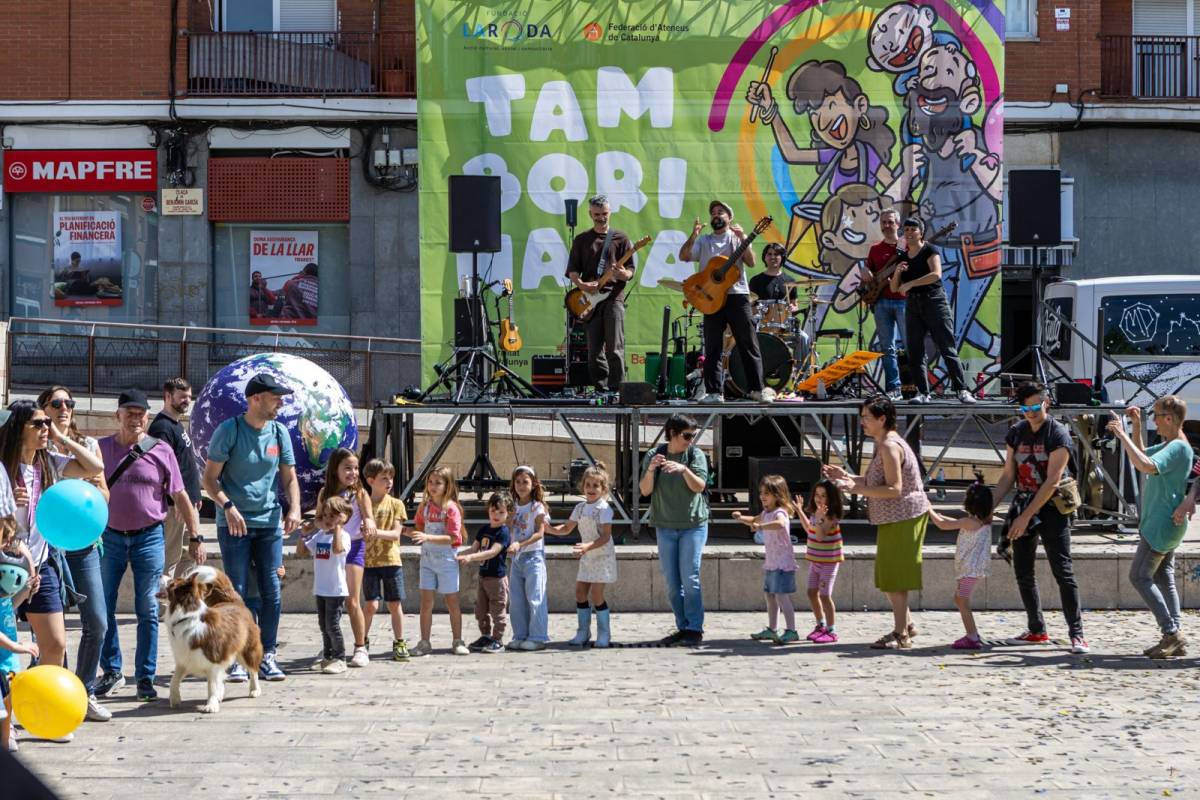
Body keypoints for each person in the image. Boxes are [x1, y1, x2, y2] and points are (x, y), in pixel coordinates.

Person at [0, 399, 104, 730]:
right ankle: (7, 718)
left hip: (40, 566)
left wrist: (62, 437)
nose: (45, 428)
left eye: (47, 423)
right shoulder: (3, 468)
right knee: (5, 651)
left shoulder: (49, 463)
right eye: (38, 424)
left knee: (55, 644)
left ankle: (48, 715)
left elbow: (93, 468)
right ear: (18, 429)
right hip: (6, 567)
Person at [95, 389, 199, 703]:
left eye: (140, 414)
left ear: (147, 417)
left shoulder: (161, 450)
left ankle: (145, 677)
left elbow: (180, 494)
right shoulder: (100, 448)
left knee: (148, 609)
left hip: (149, 536)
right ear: (117, 415)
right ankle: (112, 670)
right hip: (109, 537)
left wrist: (196, 536)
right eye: (129, 413)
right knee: (103, 607)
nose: (135, 419)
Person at [201, 372, 302, 682]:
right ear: (255, 399)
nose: (280, 403)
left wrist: (295, 508)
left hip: (269, 523)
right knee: (237, 592)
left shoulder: (279, 432)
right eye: (275, 398)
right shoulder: (229, 431)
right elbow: (209, 480)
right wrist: (228, 507)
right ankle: (235, 655)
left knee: (272, 589)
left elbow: (289, 477)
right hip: (235, 525)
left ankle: (266, 654)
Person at [823, 395, 928, 650]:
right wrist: (848, 478)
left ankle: (901, 634)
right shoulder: (882, 444)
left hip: (904, 516)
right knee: (888, 576)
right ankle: (907, 625)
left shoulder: (890, 446)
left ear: (882, 419)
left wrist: (855, 488)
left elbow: (894, 488)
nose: (862, 422)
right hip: (893, 517)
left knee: (895, 578)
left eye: (866, 418)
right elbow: (875, 482)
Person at [37, 385, 116, 723]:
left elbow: (103, 492)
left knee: (97, 621)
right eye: (56, 403)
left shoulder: (87, 446)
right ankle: (57, 694)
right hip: (47, 548)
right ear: (43, 410)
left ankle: (85, 691)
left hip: (83, 545)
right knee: (51, 631)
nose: (64, 408)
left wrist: (65, 440)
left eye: (69, 403)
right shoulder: (36, 449)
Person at [992, 382, 1088, 654]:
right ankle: (1037, 629)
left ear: (1046, 403)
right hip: (1024, 501)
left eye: (1035, 406)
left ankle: (1077, 634)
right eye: (1025, 408)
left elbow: (1052, 481)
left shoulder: (1058, 434)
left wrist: (1025, 517)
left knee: (1063, 570)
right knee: (1023, 570)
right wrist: (988, 509)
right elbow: (1008, 475)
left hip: (1053, 507)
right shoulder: (1016, 432)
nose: (1031, 412)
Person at [1109, 397, 1193, 658]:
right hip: (1164, 524)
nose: (1153, 420)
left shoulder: (1178, 447)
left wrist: (1121, 434)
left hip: (1161, 525)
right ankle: (1174, 637)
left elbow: (1145, 465)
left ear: (1169, 418)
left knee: (1139, 577)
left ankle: (1171, 632)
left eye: (1155, 415)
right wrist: (1135, 426)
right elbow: (1143, 454)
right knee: (1163, 577)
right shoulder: (1172, 444)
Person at [680, 200, 773, 403]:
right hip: (711, 297)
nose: (716, 215)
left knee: (747, 342)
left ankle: (757, 389)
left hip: (737, 295)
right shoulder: (704, 241)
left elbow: (751, 262)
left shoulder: (737, 238)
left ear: (729, 218)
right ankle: (714, 392)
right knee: (713, 346)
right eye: (713, 212)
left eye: (720, 212)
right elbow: (684, 256)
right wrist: (693, 235)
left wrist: (744, 237)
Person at [639, 414, 711, 646]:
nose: (691, 440)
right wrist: (651, 469)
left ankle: (694, 628)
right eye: (687, 436)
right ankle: (682, 626)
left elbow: (699, 487)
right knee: (672, 583)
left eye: (693, 435)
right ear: (672, 433)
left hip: (693, 525)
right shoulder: (655, 454)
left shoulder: (695, 455)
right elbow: (645, 490)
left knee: (690, 578)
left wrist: (684, 470)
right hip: (665, 526)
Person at [890, 216, 975, 404]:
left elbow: (936, 274)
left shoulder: (929, 250)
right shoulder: (903, 257)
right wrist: (897, 272)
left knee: (946, 346)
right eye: (906, 230)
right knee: (915, 350)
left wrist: (911, 283)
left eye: (913, 229)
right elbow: (895, 288)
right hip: (913, 305)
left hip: (934, 301)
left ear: (921, 233)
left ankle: (962, 390)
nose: (909, 233)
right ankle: (923, 392)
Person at [314, 449, 377, 668]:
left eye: (356, 468)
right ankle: (331, 646)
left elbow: (369, 517)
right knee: (328, 600)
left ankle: (360, 646)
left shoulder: (359, 493)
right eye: (347, 468)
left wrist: (369, 524)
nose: (353, 472)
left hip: (354, 548)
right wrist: (326, 526)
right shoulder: (325, 493)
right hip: (332, 550)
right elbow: (318, 519)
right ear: (335, 469)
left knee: (352, 600)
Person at [566, 195, 635, 392]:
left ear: (610, 212)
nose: (601, 218)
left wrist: (623, 274)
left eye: (604, 213)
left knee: (615, 348)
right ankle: (601, 388)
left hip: (614, 298)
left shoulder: (621, 238)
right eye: (597, 214)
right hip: (590, 301)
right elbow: (572, 271)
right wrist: (582, 285)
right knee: (594, 351)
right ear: (590, 214)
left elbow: (630, 270)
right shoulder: (581, 240)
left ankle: (617, 389)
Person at [547, 463, 618, 648]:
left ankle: (604, 633)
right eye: (588, 485)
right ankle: (583, 631)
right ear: (583, 486)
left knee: (597, 594)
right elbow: (567, 528)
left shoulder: (604, 509)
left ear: (603, 489)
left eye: (595, 486)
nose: (591, 489)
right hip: (587, 555)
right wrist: (549, 529)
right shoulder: (579, 508)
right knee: (580, 592)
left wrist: (588, 546)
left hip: (602, 556)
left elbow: (606, 536)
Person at [147, 378, 205, 585]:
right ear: (167, 396)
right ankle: (162, 600)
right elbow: (161, 471)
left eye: (189, 397)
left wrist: (195, 497)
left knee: (192, 554)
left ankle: (179, 597)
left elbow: (184, 465)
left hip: (188, 504)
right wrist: (178, 502)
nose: (187, 401)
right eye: (182, 397)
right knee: (169, 561)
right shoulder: (162, 428)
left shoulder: (176, 424)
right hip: (175, 507)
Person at [929, 476, 995, 650]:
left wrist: (929, 510)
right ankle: (972, 634)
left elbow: (943, 525)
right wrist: (940, 515)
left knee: (962, 601)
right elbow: (952, 522)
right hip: (973, 570)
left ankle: (972, 636)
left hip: (969, 570)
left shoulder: (969, 522)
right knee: (959, 599)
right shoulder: (982, 521)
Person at [735, 475, 799, 645]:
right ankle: (772, 628)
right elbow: (753, 520)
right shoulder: (766, 513)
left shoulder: (780, 512)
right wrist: (740, 518)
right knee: (770, 595)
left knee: (782, 596)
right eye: (761, 493)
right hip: (772, 562)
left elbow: (780, 524)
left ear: (777, 495)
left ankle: (792, 630)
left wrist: (761, 527)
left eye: (767, 493)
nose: (762, 496)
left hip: (782, 563)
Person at [410, 466, 467, 657]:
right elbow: (419, 528)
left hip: (447, 561)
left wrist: (427, 537)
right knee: (426, 602)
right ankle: (424, 641)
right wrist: (407, 532)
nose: (433, 486)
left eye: (438, 483)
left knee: (452, 601)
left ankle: (457, 640)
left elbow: (453, 537)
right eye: (430, 482)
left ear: (447, 486)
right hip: (427, 560)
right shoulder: (424, 507)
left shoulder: (451, 508)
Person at [360, 459, 410, 662]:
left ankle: (400, 641)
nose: (389, 482)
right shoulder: (362, 504)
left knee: (394, 604)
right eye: (384, 478)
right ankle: (361, 640)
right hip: (368, 562)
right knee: (370, 605)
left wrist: (374, 532)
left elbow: (396, 534)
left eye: (391, 478)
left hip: (391, 560)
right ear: (371, 481)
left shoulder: (397, 504)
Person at [299, 496, 353, 674]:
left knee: (332, 625)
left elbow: (337, 550)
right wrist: (304, 534)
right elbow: (302, 552)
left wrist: (338, 528)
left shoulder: (344, 536)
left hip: (335, 589)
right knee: (324, 625)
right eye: (326, 515)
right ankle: (328, 656)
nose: (328, 519)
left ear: (344, 518)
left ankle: (340, 658)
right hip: (321, 588)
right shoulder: (320, 535)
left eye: (333, 516)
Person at [1, 477, 34, 753]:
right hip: (7, 646)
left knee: (9, 693)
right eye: (5, 539)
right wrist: (17, 646)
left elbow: (9, 608)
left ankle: (8, 732)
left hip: (8, 651)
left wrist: (26, 591)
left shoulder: (3, 589)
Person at [457, 491, 513, 654]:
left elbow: (492, 552)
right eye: (493, 511)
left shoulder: (503, 532)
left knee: (497, 610)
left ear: (508, 514)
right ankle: (486, 636)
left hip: (497, 579)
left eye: (501, 512)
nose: (496, 515)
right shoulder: (483, 530)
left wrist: (471, 558)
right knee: (480, 610)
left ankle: (498, 640)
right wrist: (458, 555)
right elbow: (473, 549)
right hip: (483, 577)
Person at [506, 466, 551, 652]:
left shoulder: (537, 507)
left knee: (535, 597)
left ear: (533, 484)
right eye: (518, 482)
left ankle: (538, 636)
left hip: (533, 557)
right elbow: (508, 528)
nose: (521, 486)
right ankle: (520, 635)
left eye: (525, 482)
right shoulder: (512, 506)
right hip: (517, 558)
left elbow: (539, 533)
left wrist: (520, 544)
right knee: (516, 600)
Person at [795, 479, 845, 643]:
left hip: (828, 562)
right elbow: (809, 529)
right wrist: (800, 511)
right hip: (815, 561)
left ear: (831, 498)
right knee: (811, 592)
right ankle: (820, 625)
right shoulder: (816, 514)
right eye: (817, 494)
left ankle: (831, 630)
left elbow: (820, 536)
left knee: (824, 595)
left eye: (823, 495)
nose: (819, 498)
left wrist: (819, 518)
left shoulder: (830, 516)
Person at [864, 208, 906, 398]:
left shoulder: (906, 246)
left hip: (903, 301)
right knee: (887, 348)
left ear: (898, 224)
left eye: (890, 222)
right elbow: (870, 273)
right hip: (881, 303)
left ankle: (918, 387)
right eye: (884, 222)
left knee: (911, 345)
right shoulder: (875, 249)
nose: (887, 226)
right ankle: (893, 388)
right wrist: (865, 272)